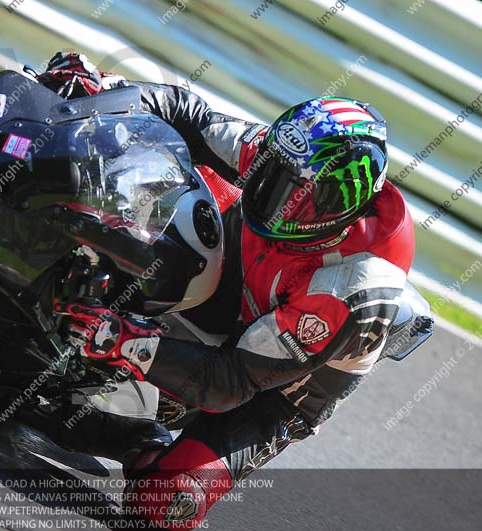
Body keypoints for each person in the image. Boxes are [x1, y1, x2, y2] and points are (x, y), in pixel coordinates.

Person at [38, 53, 415, 529]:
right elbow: (186, 113)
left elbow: (230, 382)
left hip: (272, 385)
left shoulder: (349, 290)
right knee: (147, 159)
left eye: (290, 196)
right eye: (268, 176)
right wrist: (103, 89)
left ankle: (140, 438)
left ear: (336, 212)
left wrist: (121, 339)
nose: (268, 199)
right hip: (240, 280)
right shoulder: (288, 158)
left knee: (162, 505)